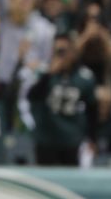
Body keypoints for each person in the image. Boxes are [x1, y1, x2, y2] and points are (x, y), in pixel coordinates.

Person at [27, 34, 99, 166]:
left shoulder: (84, 76)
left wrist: (92, 138)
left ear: (73, 52)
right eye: (57, 51)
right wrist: (49, 74)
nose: (61, 56)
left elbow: (92, 109)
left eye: (64, 51)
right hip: (46, 138)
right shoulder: (43, 72)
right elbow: (32, 96)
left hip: (71, 139)